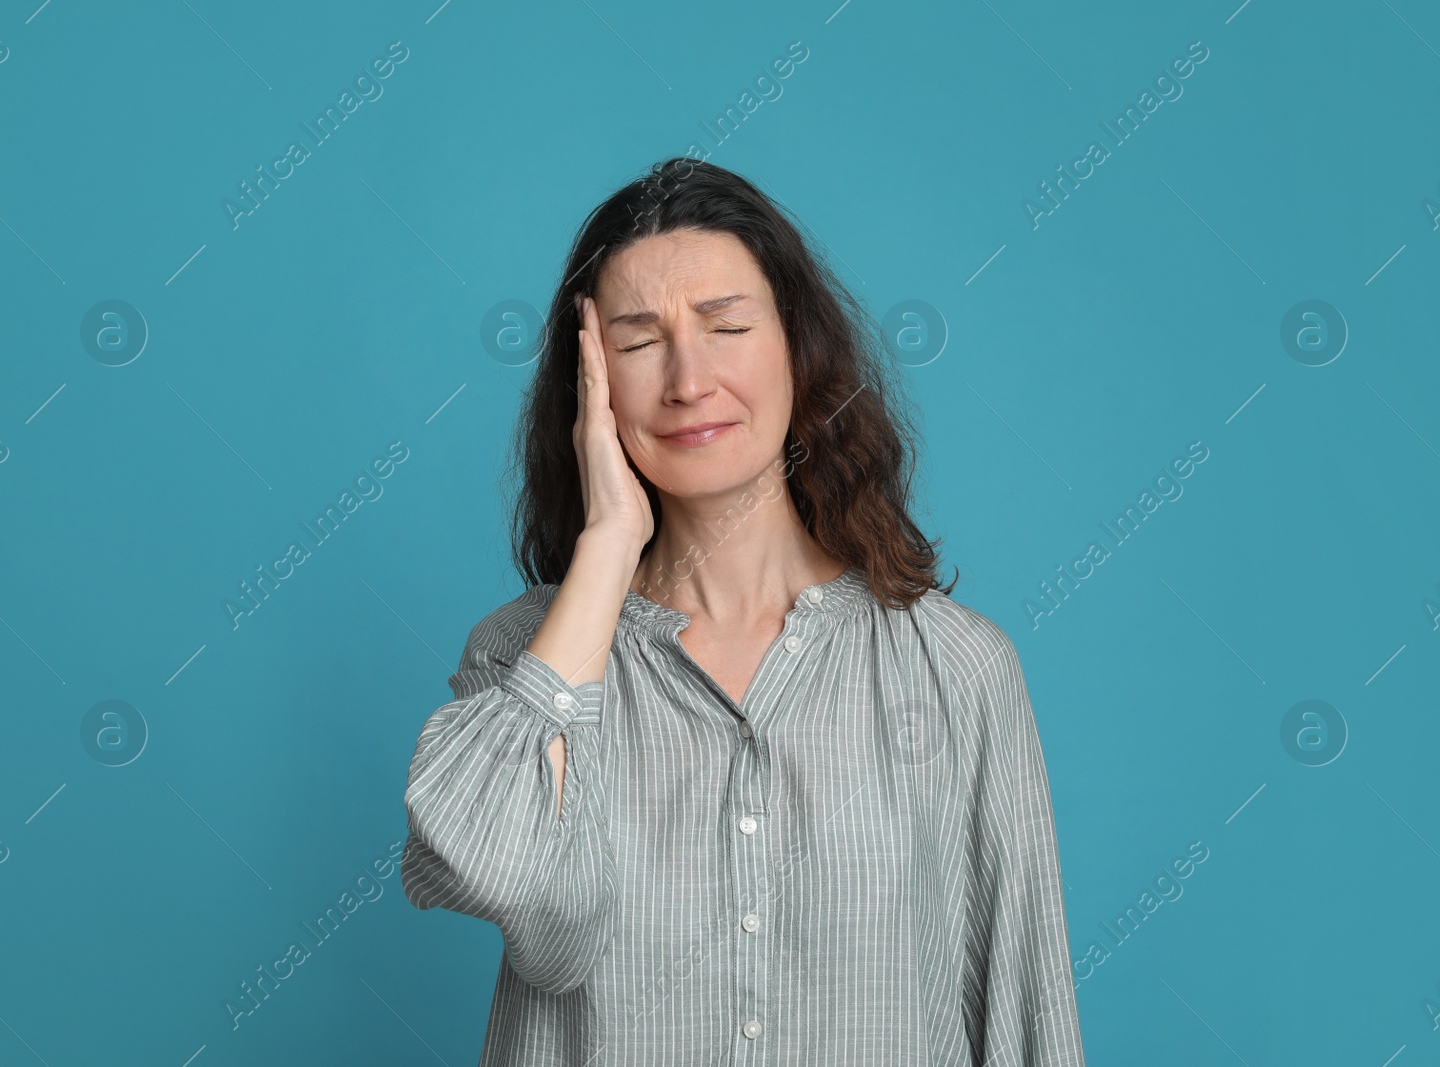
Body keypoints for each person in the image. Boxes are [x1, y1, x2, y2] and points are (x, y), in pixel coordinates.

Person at [401, 157, 1085, 1066]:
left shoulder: (957, 668)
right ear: (590, 382)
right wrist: (607, 544)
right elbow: (508, 878)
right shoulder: (526, 657)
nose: (689, 380)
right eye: (640, 343)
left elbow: (1024, 1016)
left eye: (726, 325)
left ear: (796, 348)